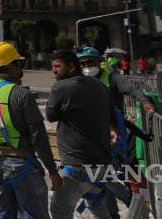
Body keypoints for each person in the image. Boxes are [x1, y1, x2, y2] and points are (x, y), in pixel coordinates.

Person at [0, 42, 61, 218]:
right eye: (18, 63)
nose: (21, 68)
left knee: (2, 214)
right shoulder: (21, 94)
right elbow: (39, 137)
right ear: (11, 66)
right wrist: (53, 171)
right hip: (22, 164)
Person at [76, 46, 154, 219]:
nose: (87, 66)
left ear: (100, 62)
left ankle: (138, 206)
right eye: (83, 63)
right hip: (93, 138)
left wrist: (145, 101)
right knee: (103, 177)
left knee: (120, 175)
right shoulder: (78, 81)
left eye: (90, 62)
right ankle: (115, 213)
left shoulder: (112, 78)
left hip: (117, 137)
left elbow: (131, 88)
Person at [47, 51, 114, 219]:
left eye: (57, 66)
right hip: (102, 165)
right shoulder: (99, 85)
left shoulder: (60, 87)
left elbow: (50, 115)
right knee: (97, 205)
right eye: (52, 67)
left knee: (60, 211)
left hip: (77, 165)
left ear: (71, 67)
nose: (54, 70)